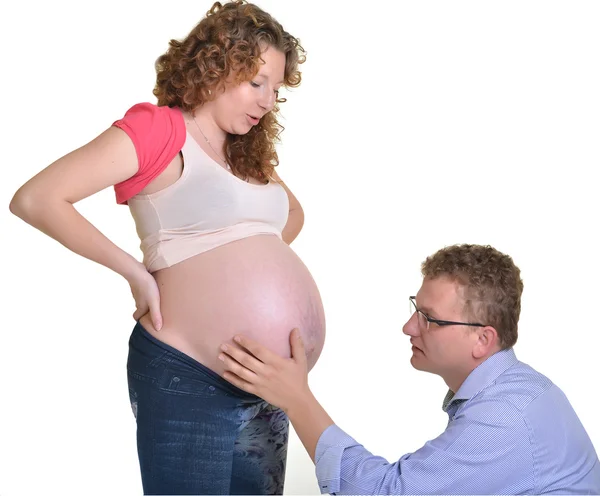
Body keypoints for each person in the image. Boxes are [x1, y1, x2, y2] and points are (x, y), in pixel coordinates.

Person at [9, 1, 326, 494]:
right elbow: (37, 199)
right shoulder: (160, 129)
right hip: (187, 372)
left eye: (276, 89)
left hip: (270, 381)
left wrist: (244, 266)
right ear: (216, 65)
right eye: (256, 81)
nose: (267, 101)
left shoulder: (245, 151)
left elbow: (293, 215)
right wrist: (137, 273)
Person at [218, 243, 600, 495]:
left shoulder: (505, 417)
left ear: (482, 340)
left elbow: (387, 493)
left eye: (430, 318)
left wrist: (297, 400)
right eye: (416, 309)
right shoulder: (516, 391)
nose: (408, 327)